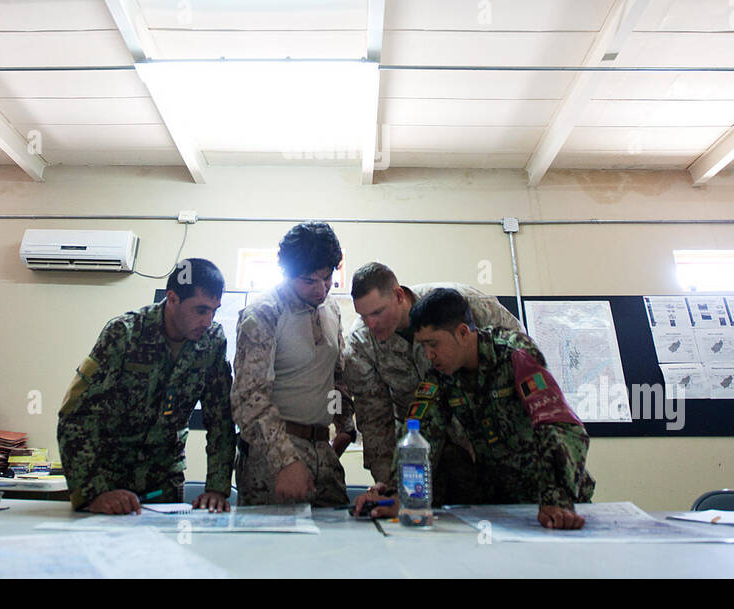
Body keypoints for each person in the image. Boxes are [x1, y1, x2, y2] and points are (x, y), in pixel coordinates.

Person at [354, 287, 594, 530]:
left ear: (462, 332)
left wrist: (556, 499)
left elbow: (556, 423)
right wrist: (401, 493)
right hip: (501, 505)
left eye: (433, 344)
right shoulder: (439, 377)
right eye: (423, 346)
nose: (428, 355)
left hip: (553, 499)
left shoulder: (515, 355)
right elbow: (420, 434)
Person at [57, 258, 234, 514]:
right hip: (109, 483)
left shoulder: (212, 341)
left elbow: (221, 419)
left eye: (214, 311)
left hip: (163, 483)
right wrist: (93, 492)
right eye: (200, 310)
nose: (208, 321)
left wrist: (217, 489)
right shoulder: (124, 334)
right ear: (172, 299)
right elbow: (76, 416)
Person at [344, 262, 531, 490]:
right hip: (428, 454)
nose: (371, 324)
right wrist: (392, 486)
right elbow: (374, 420)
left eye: (377, 312)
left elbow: (524, 364)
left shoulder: (463, 304)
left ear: (399, 295)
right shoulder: (361, 343)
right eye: (363, 316)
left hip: (498, 443)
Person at [232, 221, 355, 506]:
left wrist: (345, 426)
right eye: (308, 281)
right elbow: (249, 399)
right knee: (274, 546)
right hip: (273, 455)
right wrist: (285, 461)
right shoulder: (263, 314)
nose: (320, 289)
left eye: (327, 278)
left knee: (337, 543)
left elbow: (336, 376)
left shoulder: (332, 308)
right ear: (286, 274)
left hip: (323, 450)